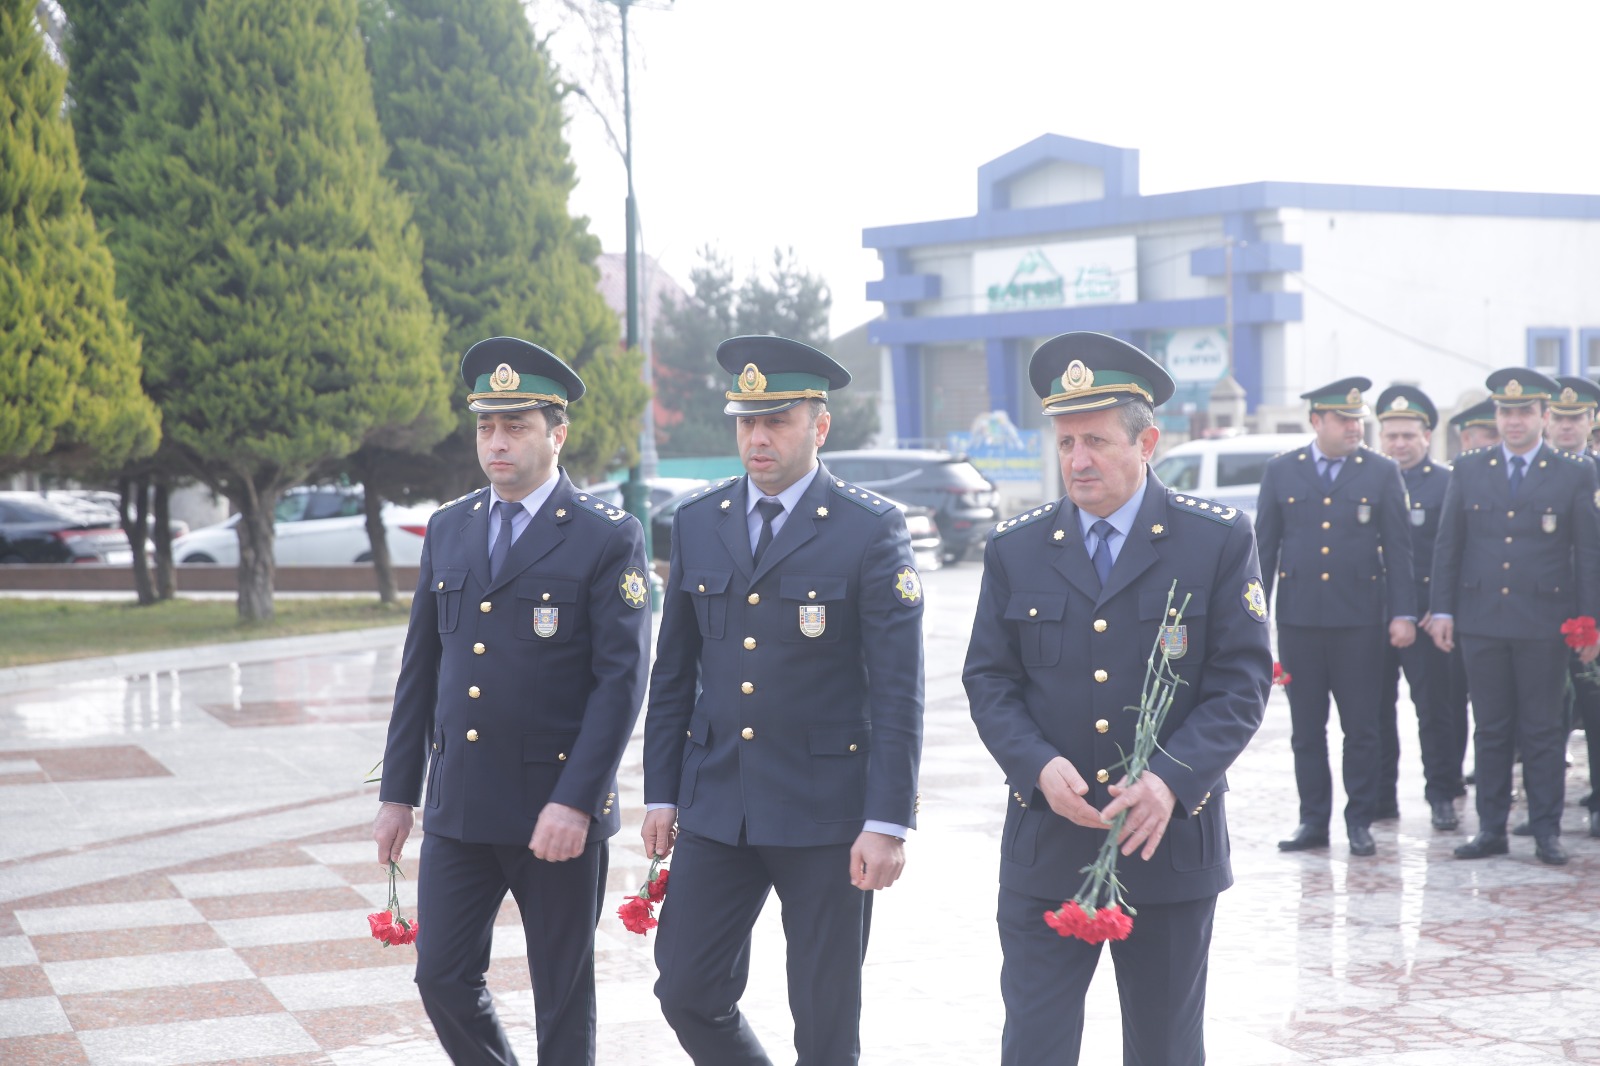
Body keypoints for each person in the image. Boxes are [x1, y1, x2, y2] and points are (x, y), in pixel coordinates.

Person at [963, 332, 1270, 1066]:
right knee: (1033, 1047)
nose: (1077, 460)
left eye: (1095, 440)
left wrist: (1171, 779)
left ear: (1148, 442)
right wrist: (1035, 765)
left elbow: (1242, 680)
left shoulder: (1214, 541)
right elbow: (990, 681)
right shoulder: (1018, 548)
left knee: (1164, 1049)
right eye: (1065, 441)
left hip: (1167, 845)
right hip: (1047, 844)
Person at [641, 335, 924, 1066]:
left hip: (827, 813)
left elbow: (898, 691)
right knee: (686, 989)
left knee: (825, 1021)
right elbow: (673, 672)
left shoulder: (869, 529)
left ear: (819, 426)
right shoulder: (699, 522)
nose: (758, 438)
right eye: (746, 422)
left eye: (778, 421)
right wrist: (661, 793)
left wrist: (887, 820)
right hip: (718, 801)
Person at [373, 336, 650, 1064]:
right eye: (487, 427)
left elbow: (620, 682)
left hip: (554, 807)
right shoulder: (450, 527)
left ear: (557, 435)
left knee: (562, 993)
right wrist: (399, 793)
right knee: (441, 976)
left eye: (516, 427)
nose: (497, 443)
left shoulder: (605, 537)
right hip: (461, 803)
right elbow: (419, 670)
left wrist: (577, 801)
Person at [1427, 368, 1600, 866]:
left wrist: (1589, 620)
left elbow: (1587, 554)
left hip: (1545, 623)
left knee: (1544, 730)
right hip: (1482, 619)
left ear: (1544, 416)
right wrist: (1442, 609)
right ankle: (1491, 829)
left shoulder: (1573, 472)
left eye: (1525, 411)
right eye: (1506, 411)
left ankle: (1546, 829)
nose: (1515, 420)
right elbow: (1449, 546)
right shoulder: (1470, 467)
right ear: (1496, 416)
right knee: (1492, 729)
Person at [1255, 378, 1417, 856]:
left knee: (1361, 729)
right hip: (1301, 623)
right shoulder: (1282, 471)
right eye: (1344, 420)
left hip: (1360, 623)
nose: (1354, 427)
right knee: (1307, 730)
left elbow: (1399, 550)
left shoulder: (1381, 472)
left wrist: (1403, 613)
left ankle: (1360, 820)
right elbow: (1263, 551)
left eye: (1358, 420)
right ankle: (1312, 821)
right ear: (1316, 421)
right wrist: (1252, 619)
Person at [1373, 385, 1468, 829]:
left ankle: (1443, 793)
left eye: (1408, 435)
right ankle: (1380, 797)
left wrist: (1441, 606)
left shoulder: (1447, 482)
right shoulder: (1368, 478)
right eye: (1390, 435)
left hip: (1428, 618)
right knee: (1374, 711)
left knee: (1436, 710)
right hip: (1375, 616)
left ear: (1427, 436)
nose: (1399, 444)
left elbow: (1456, 552)